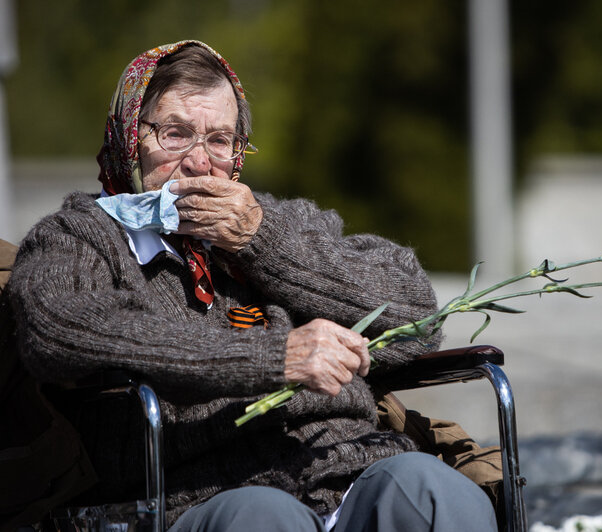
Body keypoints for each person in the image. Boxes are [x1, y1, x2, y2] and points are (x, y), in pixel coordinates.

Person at [6, 41, 498, 531]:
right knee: (264, 517)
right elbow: (59, 327)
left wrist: (261, 241)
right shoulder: (81, 236)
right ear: (128, 137)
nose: (200, 163)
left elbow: (417, 320)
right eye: (176, 134)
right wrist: (272, 358)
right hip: (203, 496)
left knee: (431, 490)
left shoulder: (275, 221)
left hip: (351, 470)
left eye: (220, 140)